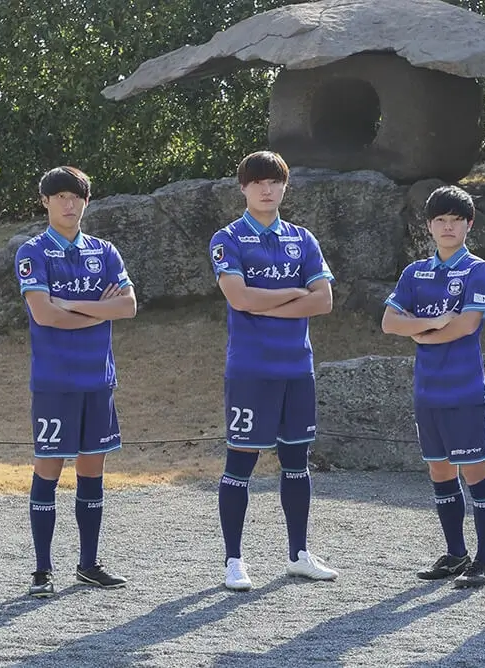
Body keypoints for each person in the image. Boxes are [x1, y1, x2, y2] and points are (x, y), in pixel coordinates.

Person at [209, 150, 338, 591]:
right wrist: (294, 293)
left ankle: (299, 554)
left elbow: (324, 300)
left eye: (274, 182)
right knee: (240, 462)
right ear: (243, 188)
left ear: (285, 186)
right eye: (258, 183)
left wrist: (265, 301)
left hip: (297, 368)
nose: (266, 190)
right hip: (250, 369)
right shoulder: (228, 238)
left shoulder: (303, 239)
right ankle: (233, 561)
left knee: (296, 462)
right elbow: (239, 298)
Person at [15, 166, 137, 598]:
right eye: (60, 196)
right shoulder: (33, 252)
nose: (69, 204)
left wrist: (68, 304)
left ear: (86, 202)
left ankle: (88, 565)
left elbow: (128, 307)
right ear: (45, 201)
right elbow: (44, 314)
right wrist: (96, 309)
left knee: (92, 471)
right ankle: (42, 571)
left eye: (76, 197)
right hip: (54, 382)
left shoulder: (105, 251)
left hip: (98, 381)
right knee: (48, 469)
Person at [381, 185, 485, 589]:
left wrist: (418, 332)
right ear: (429, 226)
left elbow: (467, 324)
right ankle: (455, 553)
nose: (448, 227)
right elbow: (389, 322)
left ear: (469, 225)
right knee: (440, 471)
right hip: (427, 391)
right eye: (441, 220)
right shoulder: (414, 273)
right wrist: (431, 323)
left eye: (456, 220)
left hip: (464, 390)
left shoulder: (477, 270)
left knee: (476, 472)